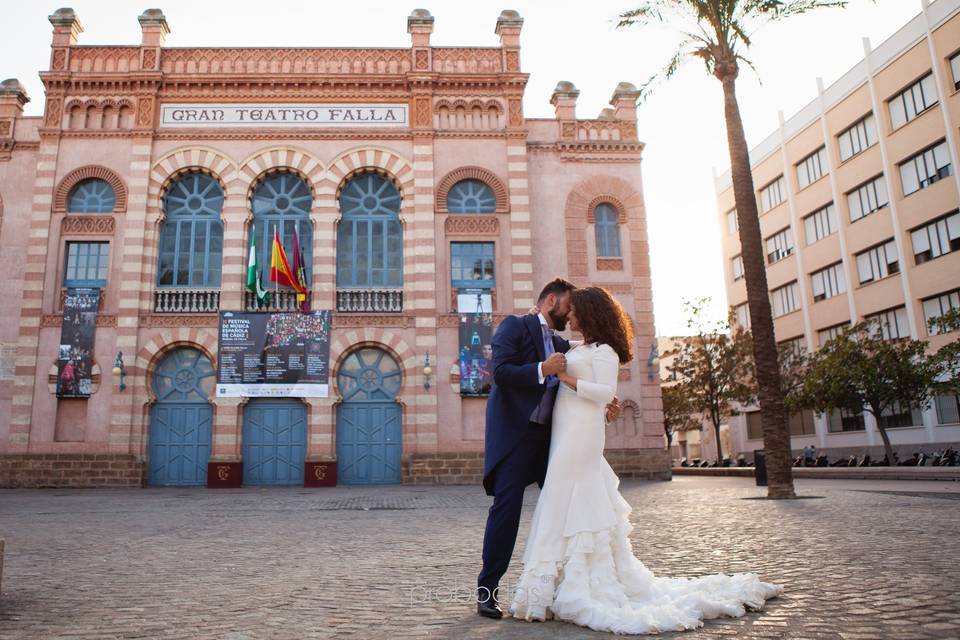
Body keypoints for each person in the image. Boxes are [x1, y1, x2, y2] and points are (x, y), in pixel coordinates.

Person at [507, 287, 782, 634]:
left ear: (590, 313)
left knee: (569, 498)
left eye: (575, 311)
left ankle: (570, 589)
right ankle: (550, 589)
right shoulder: (582, 347)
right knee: (560, 501)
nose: (569, 317)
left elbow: (605, 392)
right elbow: (553, 349)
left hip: (581, 437)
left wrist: (565, 378)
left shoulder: (605, 350)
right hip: (566, 432)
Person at [476, 278, 620, 619]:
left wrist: (606, 405)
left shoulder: (562, 342)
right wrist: (542, 368)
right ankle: (487, 591)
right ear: (551, 300)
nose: (571, 313)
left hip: (554, 441)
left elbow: (580, 386)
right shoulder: (514, 325)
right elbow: (501, 372)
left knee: (568, 508)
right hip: (517, 438)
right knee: (506, 510)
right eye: (568, 305)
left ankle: (574, 587)